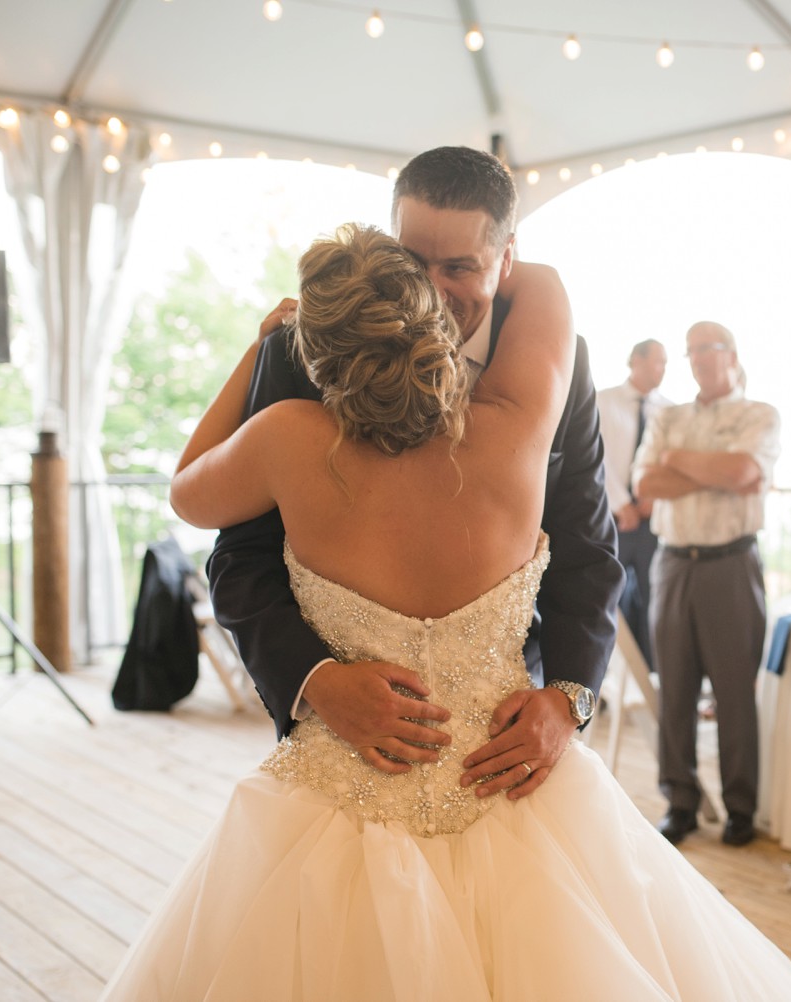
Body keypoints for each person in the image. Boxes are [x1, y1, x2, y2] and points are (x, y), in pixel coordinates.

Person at [101, 225, 791, 1000]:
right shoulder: (514, 427)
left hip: (340, 798)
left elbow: (186, 490)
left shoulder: (284, 439)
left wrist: (259, 345)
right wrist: (489, 257)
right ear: (429, 328)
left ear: (314, 355)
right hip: (513, 796)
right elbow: (543, 291)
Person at [206, 147, 621, 792]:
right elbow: (241, 556)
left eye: (460, 267)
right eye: (412, 261)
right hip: (341, 747)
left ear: (506, 259)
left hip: (505, 740)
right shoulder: (307, 348)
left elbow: (587, 545)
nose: (430, 288)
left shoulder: (561, 362)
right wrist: (313, 681)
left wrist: (570, 698)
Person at [634, 321, 780, 848]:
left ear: (731, 355)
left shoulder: (758, 414)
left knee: (734, 692)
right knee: (673, 688)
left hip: (730, 565)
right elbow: (645, 482)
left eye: (706, 349)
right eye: (690, 350)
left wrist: (678, 462)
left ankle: (741, 807)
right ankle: (681, 802)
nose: (696, 359)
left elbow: (743, 471)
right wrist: (709, 471)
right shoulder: (668, 415)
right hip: (672, 565)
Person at [597, 339, 671, 669]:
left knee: (656, 599)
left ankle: (654, 675)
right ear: (635, 361)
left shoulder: (669, 411)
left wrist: (653, 497)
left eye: (666, 364)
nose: (663, 370)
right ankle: (602, 676)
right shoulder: (603, 401)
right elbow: (596, 457)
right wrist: (621, 502)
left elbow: (668, 464)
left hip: (652, 523)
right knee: (603, 597)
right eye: (658, 362)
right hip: (612, 520)